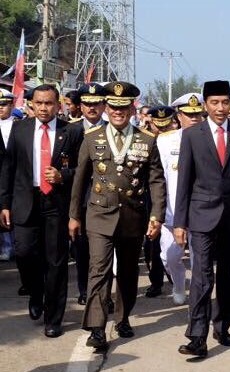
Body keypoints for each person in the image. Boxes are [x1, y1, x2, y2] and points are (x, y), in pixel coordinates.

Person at [69, 81, 166, 349]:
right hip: (99, 215)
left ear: (132, 107)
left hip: (132, 217)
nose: (118, 112)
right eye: (113, 106)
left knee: (127, 272)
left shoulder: (147, 141)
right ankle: (97, 328)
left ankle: (123, 318)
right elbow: (80, 180)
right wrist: (74, 215)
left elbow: (156, 181)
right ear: (106, 107)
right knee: (98, 270)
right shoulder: (92, 138)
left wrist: (157, 215)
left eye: (123, 107)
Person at [174, 80, 230, 358]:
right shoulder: (192, 135)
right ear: (205, 105)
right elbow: (184, 180)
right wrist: (180, 222)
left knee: (228, 275)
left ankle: (222, 325)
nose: (221, 108)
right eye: (215, 103)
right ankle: (197, 336)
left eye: (225, 102)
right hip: (201, 216)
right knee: (201, 276)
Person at [0, 84, 84, 338]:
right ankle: (35, 292)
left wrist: (63, 175)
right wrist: (4, 203)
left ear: (59, 105)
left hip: (56, 204)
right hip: (26, 201)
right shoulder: (20, 129)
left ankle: (53, 317)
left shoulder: (71, 132)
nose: (44, 108)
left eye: (49, 103)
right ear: (32, 105)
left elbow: (81, 170)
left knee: (56, 262)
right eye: (39, 103)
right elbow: (8, 168)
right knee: (24, 252)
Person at [155, 93, 204, 305]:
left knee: (200, 260)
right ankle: (178, 283)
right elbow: (158, 178)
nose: (194, 119)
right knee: (169, 257)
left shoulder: (209, 139)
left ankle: (197, 296)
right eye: (188, 114)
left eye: (198, 114)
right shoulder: (165, 141)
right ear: (178, 116)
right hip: (173, 212)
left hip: (201, 211)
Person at [70, 83, 108, 306]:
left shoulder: (114, 129)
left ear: (104, 105)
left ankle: (103, 291)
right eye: (87, 103)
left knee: (105, 250)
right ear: (80, 105)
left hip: (107, 198)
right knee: (82, 248)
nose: (92, 108)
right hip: (82, 199)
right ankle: (85, 289)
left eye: (96, 103)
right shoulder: (71, 130)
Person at [143, 105, 176, 298]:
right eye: (158, 125)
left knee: (173, 243)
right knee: (152, 242)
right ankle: (156, 281)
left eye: (166, 125)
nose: (162, 129)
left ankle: (173, 275)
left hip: (172, 196)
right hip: (150, 196)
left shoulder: (180, 140)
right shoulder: (146, 141)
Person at [0, 89, 16, 262]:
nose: (0, 108)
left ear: (11, 105)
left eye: (3, 105)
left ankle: (10, 246)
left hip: (12, 175)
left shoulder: (18, 126)